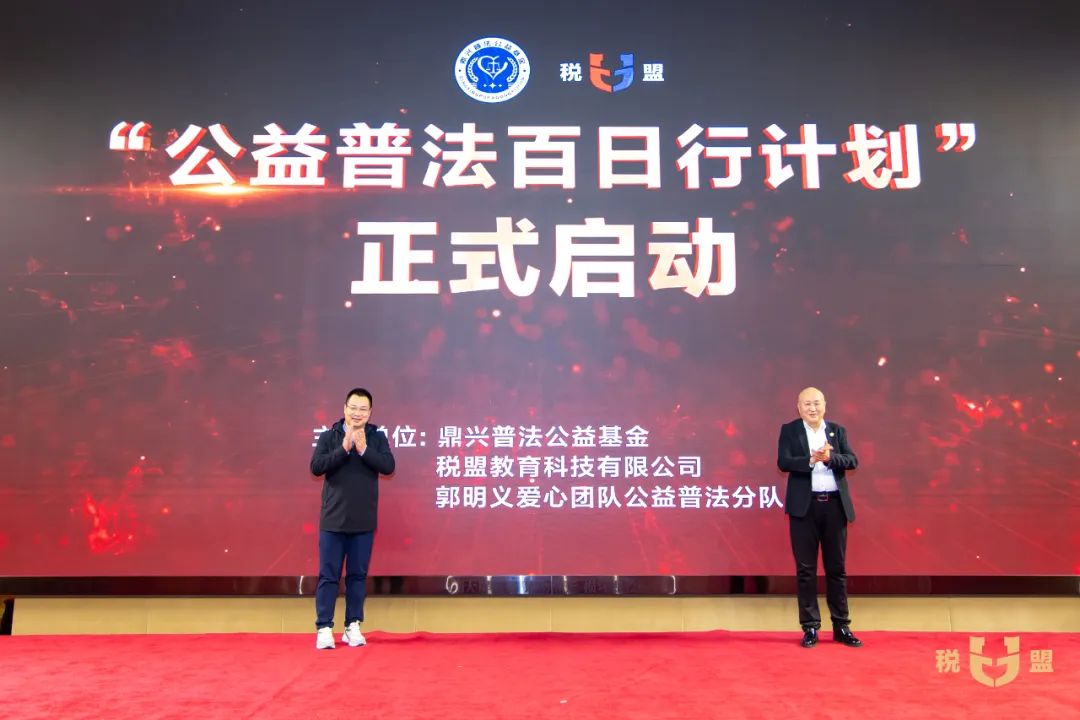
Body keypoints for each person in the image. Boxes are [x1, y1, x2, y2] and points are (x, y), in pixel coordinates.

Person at [310, 387, 395, 649]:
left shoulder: (377, 437)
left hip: (363, 521)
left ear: (370, 413)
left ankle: (352, 625)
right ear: (345, 409)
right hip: (333, 520)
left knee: (357, 576)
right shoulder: (329, 436)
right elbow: (316, 467)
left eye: (363, 409)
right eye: (353, 408)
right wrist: (344, 448)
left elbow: (388, 466)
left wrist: (364, 449)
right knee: (329, 576)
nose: (358, 413)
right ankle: (324, 627)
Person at [777, 387, 862, 648]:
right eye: (807, 404)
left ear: (824, 405)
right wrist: (811, 460)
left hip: (835, 507)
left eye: (816, 403)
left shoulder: (837, 430)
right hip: (804, 508)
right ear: (799, 407)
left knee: (837, 569)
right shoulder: (790, 430)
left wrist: (830, 458)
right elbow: (783, 462)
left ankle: (841, 625)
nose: (812, 408)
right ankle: (810, 627)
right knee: (806, 570)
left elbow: (852, 460)